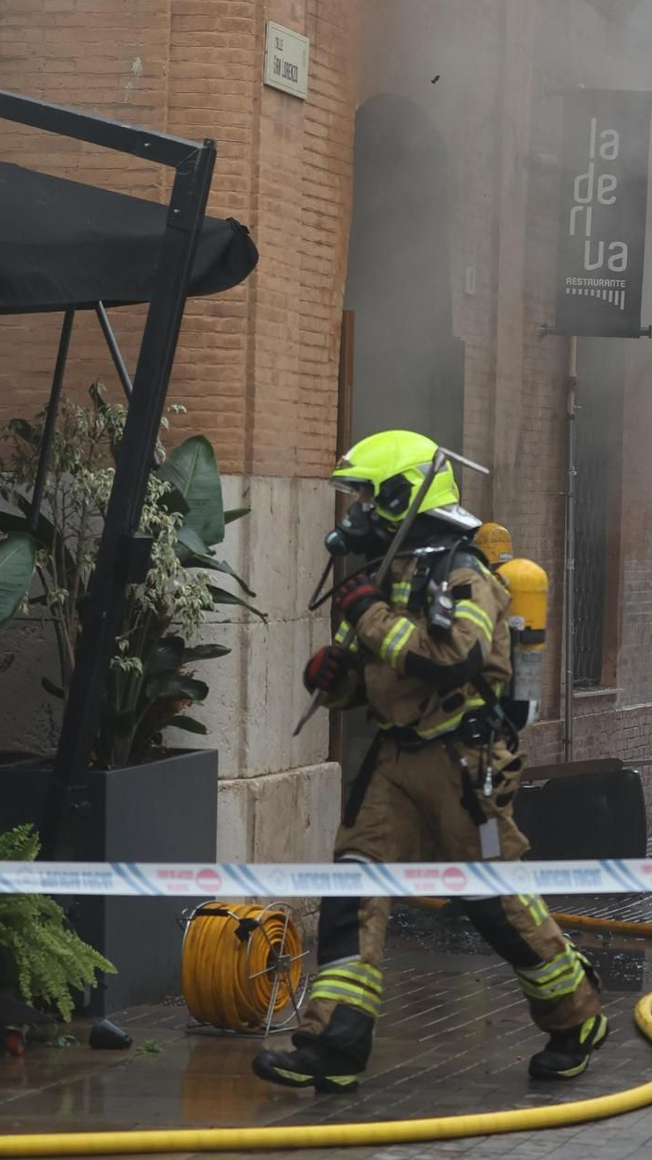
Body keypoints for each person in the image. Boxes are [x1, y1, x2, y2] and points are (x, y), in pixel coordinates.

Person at [253, 430, 607, 1094]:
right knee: (352, 887)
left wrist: (368, 616)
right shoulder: (384, 577)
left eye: (367, 498)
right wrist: (329, 675)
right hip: (394, 759)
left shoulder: (464, 572)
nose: (357, 512)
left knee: (492, 903)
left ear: (401, 496)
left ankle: (576, 1018)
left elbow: (455, 659)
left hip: (463, 764)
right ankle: (335, 1042)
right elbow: (362, 679)